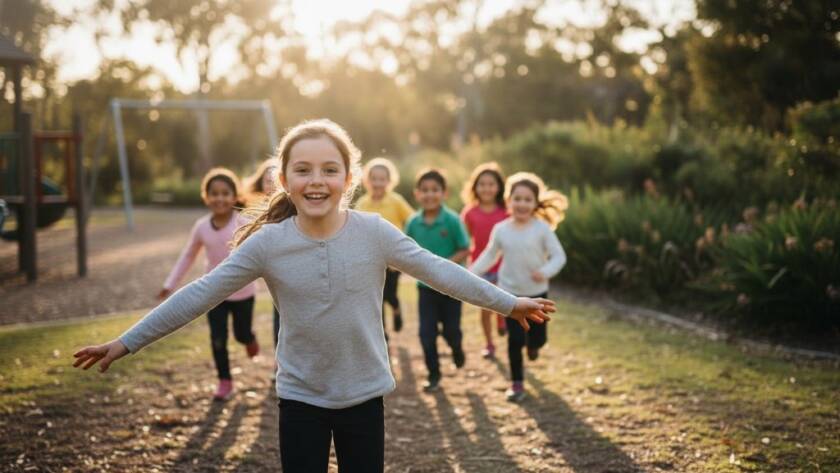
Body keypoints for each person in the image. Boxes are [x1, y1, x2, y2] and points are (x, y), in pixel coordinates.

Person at [72, 119, 554, 473]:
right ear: (284, 180)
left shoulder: (375, 233)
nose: (316, 181)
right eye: (302, 170)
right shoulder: (268, 244)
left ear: (349, 178)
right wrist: (127, 342)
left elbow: (441, 271)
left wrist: (509, 303)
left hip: (365, 394)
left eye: (329, 169)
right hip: (300, 397)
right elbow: (200, 293)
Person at [156, 167, 259, 401]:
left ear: (234, 196)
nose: (220, 198)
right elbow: (188, 255)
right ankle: (225, 381)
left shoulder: (242, 222)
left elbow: (259, 253)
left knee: (241, 334)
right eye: (214, 193)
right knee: (217, 338)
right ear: (206, 196)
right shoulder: (201, 226)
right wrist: (170, 283)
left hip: (243, 292)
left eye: (225, 193)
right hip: (213, 294)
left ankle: (249, 339)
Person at [470, 172, 567, 403]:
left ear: (535, 203)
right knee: (514, 341)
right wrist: (470, 273)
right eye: (517, 198)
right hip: (510, 294)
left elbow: (559, 257)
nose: (522, 204)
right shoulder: (502, 229)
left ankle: (534, 347)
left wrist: (544, 272)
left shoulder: (542, 229)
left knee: (537, 339)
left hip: (537, 295)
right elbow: (489, 255)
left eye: (527, 199)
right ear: (508, 200)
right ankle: (517, 384)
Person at [405, 169, 471, 392]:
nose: (429, 195)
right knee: (426, 333)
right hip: (426, 289)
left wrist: (443, 266)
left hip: (453, 288)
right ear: (417, 194)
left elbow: (464, 248)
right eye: (424, 190)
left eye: (435, 190)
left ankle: (457, 348)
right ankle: (433, 374)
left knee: (452, 330)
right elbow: (405, 251)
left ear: (444, 193)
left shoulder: (452, 220)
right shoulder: (413, 223)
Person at [355, 157, 414, 336]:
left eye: (382, 179)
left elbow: (412, 222)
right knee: (375, 297)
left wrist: (405, 247)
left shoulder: (396, 201)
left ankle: (396, 309)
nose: (378, 183)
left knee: (389, 295)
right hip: (370, 259)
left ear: (389, 181)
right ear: (367, 181)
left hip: (393, 259)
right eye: (374, 179)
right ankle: (383, 333)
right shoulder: (363, 203)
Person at [460, 162, 509, 360]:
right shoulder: (469, 213)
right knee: (485, 309)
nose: (486, 188)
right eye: (482, 184)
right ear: (475, 187)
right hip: (481, 268)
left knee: (505, 304)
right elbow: (466, 240)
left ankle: (502, 321)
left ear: (499, 187)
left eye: (491, 184)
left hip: (504, 267)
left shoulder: (506, 212)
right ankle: (489, 343)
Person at [244, 158, 284, 350]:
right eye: (268, 181)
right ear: (261, 184)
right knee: (280, 314)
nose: (272, 185)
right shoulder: (255, 212)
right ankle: (279, 362)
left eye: (275, 180)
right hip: (276, 272)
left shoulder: (296, 207)